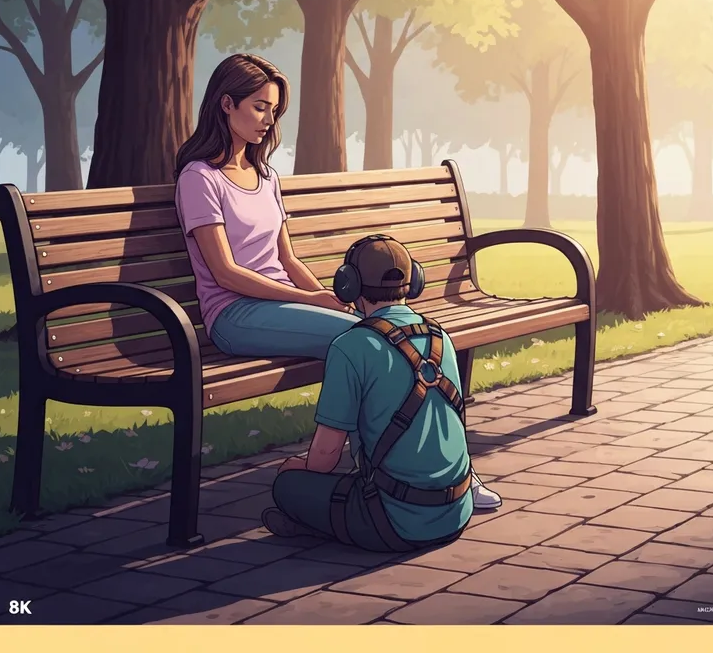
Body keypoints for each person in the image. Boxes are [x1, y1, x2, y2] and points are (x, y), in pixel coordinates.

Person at [174, 53, 501, 510]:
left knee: (405, 335)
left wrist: (333, 300)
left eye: (274, 110)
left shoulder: (265, 175)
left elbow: (286, 257)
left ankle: (445, 471)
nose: (269, 119)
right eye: (259, 107)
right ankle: (395, 471)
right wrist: (310, 298)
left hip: (283, 305)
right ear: (226, 104)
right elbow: (226, 271)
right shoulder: (200, 178)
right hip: (234, 314)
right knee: (373, 341)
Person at [262, 234, 485, 551]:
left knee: (288, 485)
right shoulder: (439, 337)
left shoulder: (349, 346)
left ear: (348, 286)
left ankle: (325, 526)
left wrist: (296, 467)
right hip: (456, 515)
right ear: (414, 281)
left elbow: (325, 459)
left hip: (393, 522)